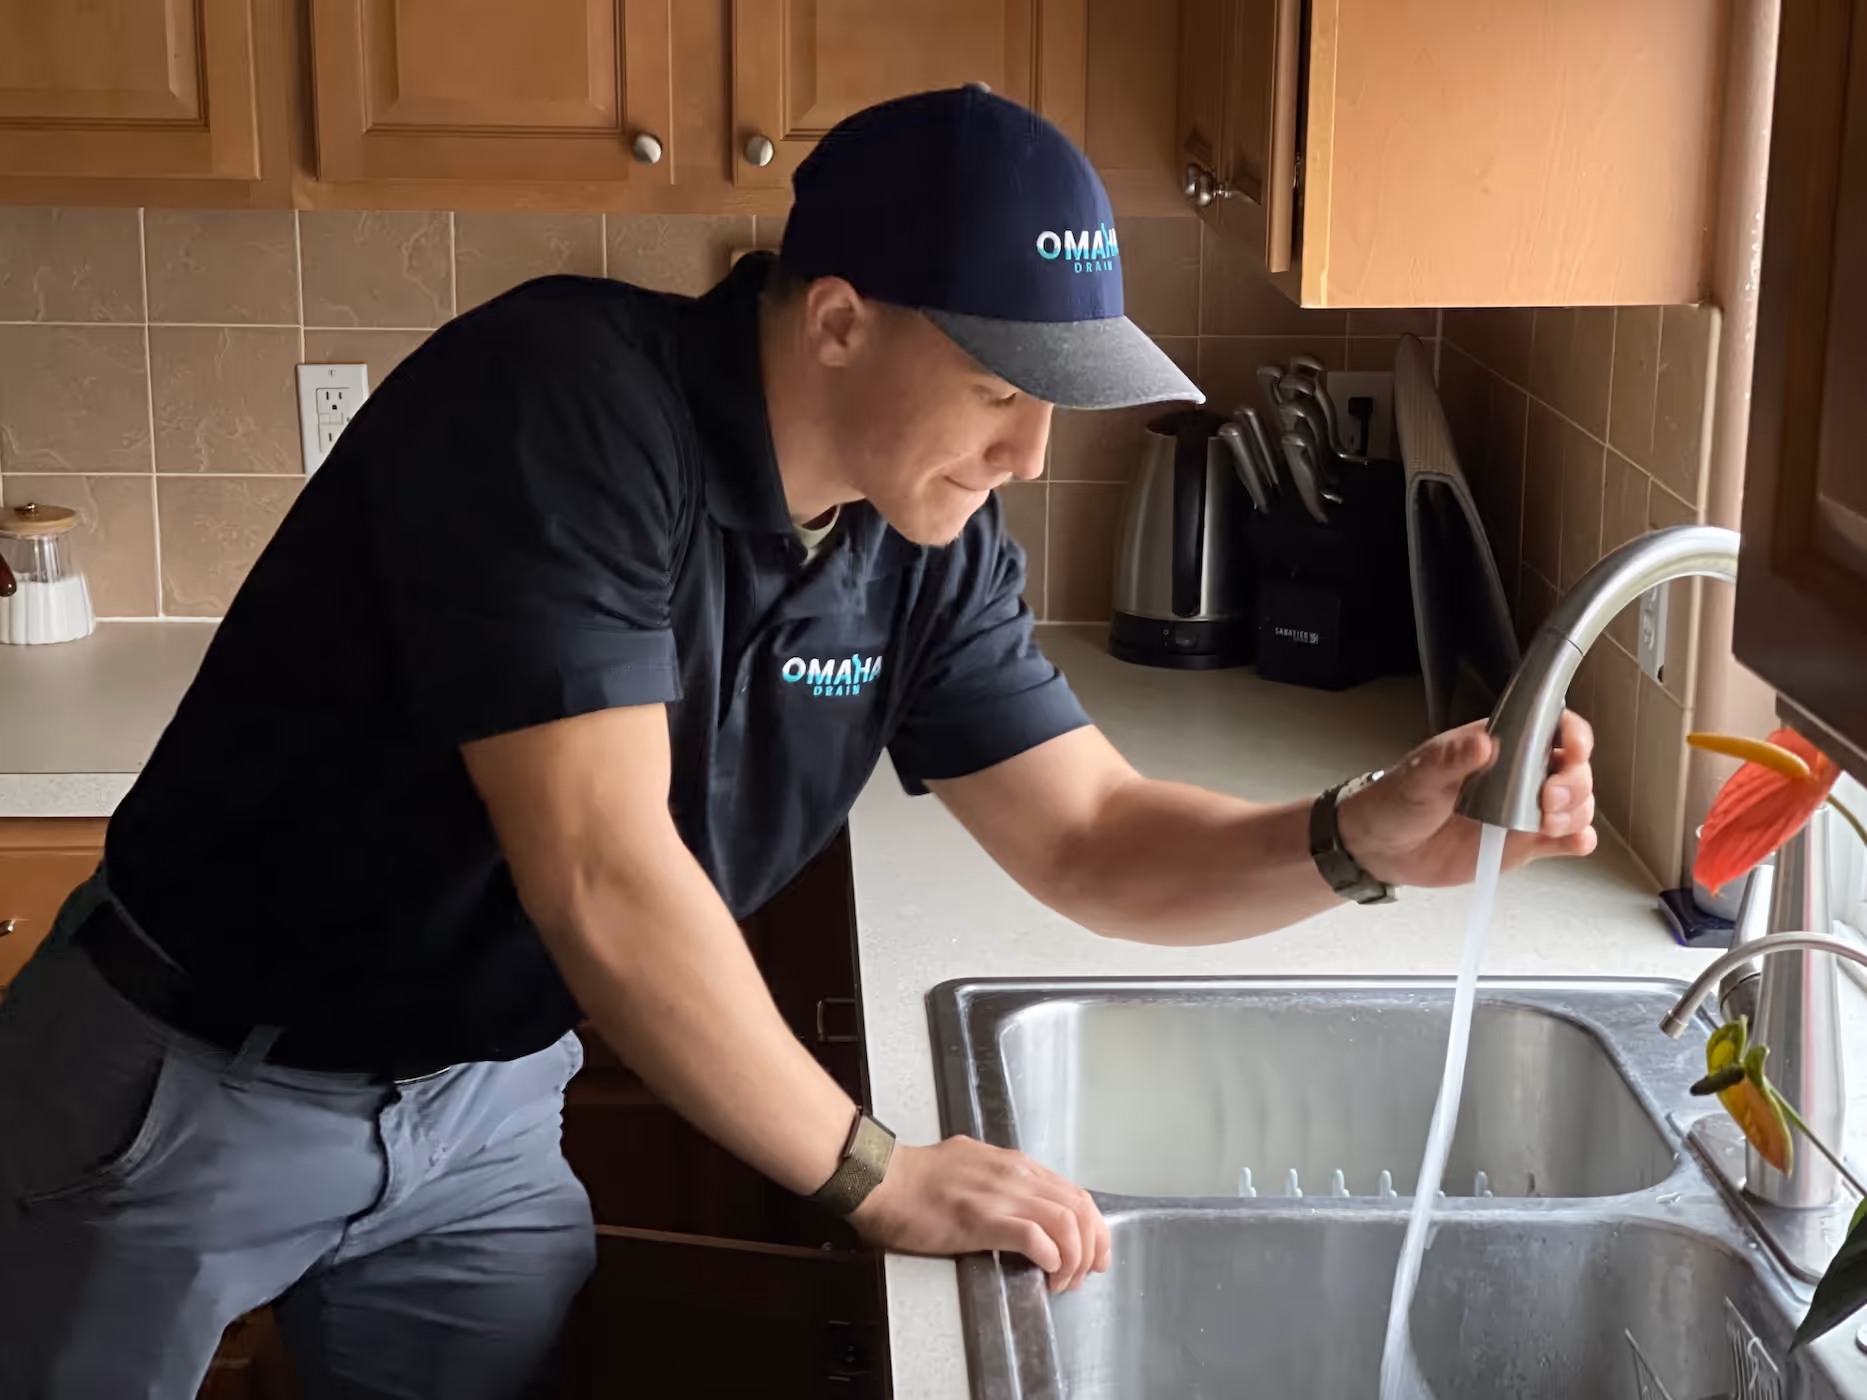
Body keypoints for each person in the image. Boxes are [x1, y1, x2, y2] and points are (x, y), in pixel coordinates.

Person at [0, 88, 1596, 1399]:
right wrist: (872, 1174)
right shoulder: (562, 405)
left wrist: (1355, 840)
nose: (1030, 456)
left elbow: (1092, 834)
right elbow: (604, 876)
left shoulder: (920, 537)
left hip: (477, 1110)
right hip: (186, 1091)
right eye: (995, 389)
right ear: (837, 322)